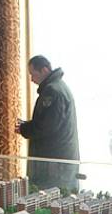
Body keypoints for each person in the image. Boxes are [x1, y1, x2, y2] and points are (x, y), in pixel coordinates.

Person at [16, 55, 80, 191]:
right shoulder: (60, 87)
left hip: (53, 162)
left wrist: (24, 129)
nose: (32, 79)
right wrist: (27, 126)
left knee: (49, 198)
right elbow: (50, 121)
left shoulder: (52, 91)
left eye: (33, 74)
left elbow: (47, 127)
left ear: (44, 70)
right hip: (61, 160)